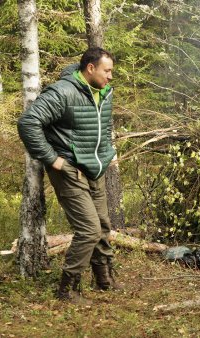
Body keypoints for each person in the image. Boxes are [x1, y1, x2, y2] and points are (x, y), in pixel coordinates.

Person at [18, 47, 121, 303]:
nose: (110, 76)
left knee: (103, 226)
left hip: (94, 167)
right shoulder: (62, 92)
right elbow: (28, 122)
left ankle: (104, 277)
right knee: (89, 229)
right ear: (90, 68)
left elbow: (104, 124)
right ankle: (68, 289)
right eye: (106, 71)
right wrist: (52, 159)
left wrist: (109, 151)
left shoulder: (104, 92)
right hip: (69, 170)